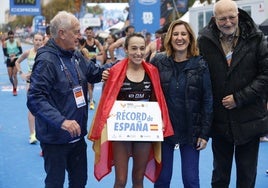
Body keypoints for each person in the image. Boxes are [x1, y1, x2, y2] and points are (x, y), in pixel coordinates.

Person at [26, 11, 111, 188]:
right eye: (76, 31)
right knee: (55, 183)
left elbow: (94, 73)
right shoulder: (47, 61)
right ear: (62, 33)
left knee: (79, 182)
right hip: (55, 139)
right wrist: (62, 121)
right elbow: (35, 99)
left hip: (77, 137)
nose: (79, 36)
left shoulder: (75, 54)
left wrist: (117, 66)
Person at [88, 33, 174, 187]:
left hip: (144, 131)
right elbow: (106, 100)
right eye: (134, 48)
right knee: (120, 180)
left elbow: (158, 99)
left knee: (138, 179)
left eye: (142, 48)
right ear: (126, 50)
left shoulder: (152, 71)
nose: (138, 52)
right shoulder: (114, 71)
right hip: (121, 132)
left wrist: (160, 119)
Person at [198, 0, 268, 187]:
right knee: (220, 175)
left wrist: (240, 98)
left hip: (249, 118)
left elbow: (266, 75)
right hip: (220, 120)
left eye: (231, 17)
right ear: (214, 19)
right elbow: (196, 73)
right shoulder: (204, 40)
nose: (228, 22)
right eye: (223, 19)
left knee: (247, 176)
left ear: (238, 15)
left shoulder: (257, 37)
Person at [150, 19, 213, 188]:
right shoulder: (158, 62)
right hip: (163, 131)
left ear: (190, 38)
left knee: (191, 180)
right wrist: (109, 73)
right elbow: (139, 78)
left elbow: (207, 99)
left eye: (183, 34)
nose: (179, 38)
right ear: (169, 38)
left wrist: (204, 133)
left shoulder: (200, 64)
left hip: (191, 130)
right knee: (162, 179)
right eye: (175, 34)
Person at [15, 33, 44, 144]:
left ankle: (41, 132)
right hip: (30, 83)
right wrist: (21, 73)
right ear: (33, 41)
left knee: (43, 108)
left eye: (39, 40)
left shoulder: (45, 53)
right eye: (36, 39)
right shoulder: (28, 52)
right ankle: (32, 134)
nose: (37, 42)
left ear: (42, 41)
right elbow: (17, 62)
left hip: (42, 84)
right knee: (32, 108)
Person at [84, 26, 105, 110]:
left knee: (92, 84)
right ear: (85, 33)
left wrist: (96, 54)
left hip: (93, 64)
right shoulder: (84, 42)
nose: (89, 34)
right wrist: (86, 55)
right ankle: (91, 101)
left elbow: (102, 50)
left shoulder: (95, 41)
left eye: (90, 32)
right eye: (87, 33)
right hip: (85, 65)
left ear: (93, 33)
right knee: (88, 84)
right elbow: (79, 51)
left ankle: (90, 97)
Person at [2, 30, 23, 96]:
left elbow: (20, 51)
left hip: (16, 59)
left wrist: (14, 55)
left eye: (12, 37)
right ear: (8, 37)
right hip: (9, 60)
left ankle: (15, 89)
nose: (11, 38)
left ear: (14, 36)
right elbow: (5, 53)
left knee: (14, 75)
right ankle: (14, 85)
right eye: (10, 37)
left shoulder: (17, 42)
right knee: (10, 77)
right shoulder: (5, 43)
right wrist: (9, 56)